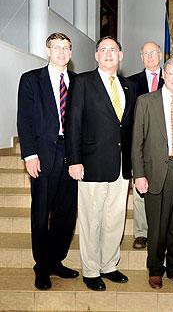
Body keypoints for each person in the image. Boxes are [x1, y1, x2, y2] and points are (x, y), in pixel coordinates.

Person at [66, 36, 136, 291]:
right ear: (96, 56)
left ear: (121, 55)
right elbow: (73, 124)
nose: (108, 54)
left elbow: (128, 128)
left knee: (115, 219)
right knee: (91, 219)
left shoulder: (129, 86)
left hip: (120, 166)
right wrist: (74, 160)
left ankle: (109, 265)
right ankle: (91, 270)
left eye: (113, 50)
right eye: (103, 50)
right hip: (91, 164)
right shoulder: (83, 82)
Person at [17, 32, 79, 290]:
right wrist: (29, 154)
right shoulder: (31, 80)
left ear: (71, 52)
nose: (61, 52)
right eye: (56, 47)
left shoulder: (78, 82)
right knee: (42, 213)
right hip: (43, 155)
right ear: (47, 50)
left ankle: (55, 261)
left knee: (66, 214)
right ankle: (41, 266)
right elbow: (25, 119)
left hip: (71, 156)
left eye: (66, 47)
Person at [132, 58, 173, 289]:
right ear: (163, 74)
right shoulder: (146, 101)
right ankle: (156, 269)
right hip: (157, 170)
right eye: (172, 74)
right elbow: (137, 142)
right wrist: (139, 174)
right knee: (157, 225)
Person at [128, 41, 164, 249]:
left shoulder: (172, 78)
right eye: (146, 53)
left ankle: (161, 231)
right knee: (141, 189)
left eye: (154, 52)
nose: (150, 56)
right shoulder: (131, 83)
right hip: (140, 144)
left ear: (160, 55)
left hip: (166, 147)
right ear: (141, 57)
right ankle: (141, 232)